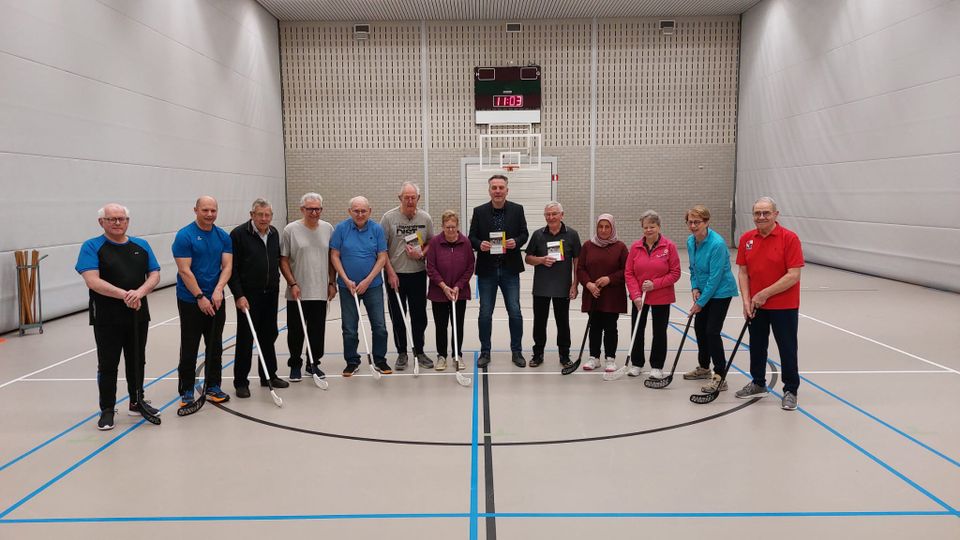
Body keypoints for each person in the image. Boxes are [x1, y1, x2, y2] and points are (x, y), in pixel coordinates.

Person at [76, 204, 161, 430]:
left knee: (137, 359)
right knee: (108, 364)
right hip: (107, 317)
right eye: (111, 219)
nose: (117, 223)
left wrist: (140, 292)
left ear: (128, 221)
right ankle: (107, 409)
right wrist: (124, 294)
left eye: (121, 218)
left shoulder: (141, 246)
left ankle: (137, 400)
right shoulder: (92, 246)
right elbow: (92, 280)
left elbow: (154, 274)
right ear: (101, 222)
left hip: (137, 315)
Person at [734, 197, 804, 410]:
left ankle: (790, 389)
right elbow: (743, 272)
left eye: (766, 213)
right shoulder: (747, 239)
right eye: (757, 213)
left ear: (776, 214)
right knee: (756, 346)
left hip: (784, 306)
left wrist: (764, 293)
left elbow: (793, 275)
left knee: (787, 348)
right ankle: (758, 383)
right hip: (756, 306)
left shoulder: (789, 239)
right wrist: (747, 301)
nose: (761, 217)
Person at [172, 195, 233, 406]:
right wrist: (199, 296)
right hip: (191, 300)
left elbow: (227, 266)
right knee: (190, 345)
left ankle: (213, 386)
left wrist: (218, 291)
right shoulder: (185, 236)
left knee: (215, 345)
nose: (209, 214)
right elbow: (184, 270)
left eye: (213, 210)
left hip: (216, 300)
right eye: (205, 210)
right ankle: (187, 390)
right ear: (195, 210)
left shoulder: (223, 236)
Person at [228, 198, 289, 399]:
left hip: (270, 294)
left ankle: (269, 376)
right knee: (245, 338)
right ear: (252, 215)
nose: (264, 218)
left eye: (267, 215)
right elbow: (232, 269)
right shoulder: (238, 234)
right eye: (260, 214)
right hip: (248, 296)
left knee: (269, 335)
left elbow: (275, 262)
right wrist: (239, 295)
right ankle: (241, 382)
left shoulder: (273, 234)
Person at [468, 175, 529, 368]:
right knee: (485, 313)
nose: (497, 191)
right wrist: (480, 244)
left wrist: (516, 242)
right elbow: (471, 237)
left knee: (515, 311)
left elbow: (524, 233)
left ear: (507, 190)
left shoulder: (517, 210)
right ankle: (485, 352)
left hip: (510, 268)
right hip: (487, 270)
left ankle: (517, 352)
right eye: (494, 187)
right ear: (489, 191)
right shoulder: (479, 211)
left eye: (501, 187)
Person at [330, 196, 391, 376]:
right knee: (349, 327)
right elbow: (334, 255)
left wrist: (368, 280)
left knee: (379, 326)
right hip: (348, 287)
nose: (360, 214)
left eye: (363, 210)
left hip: (373, 286)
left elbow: (382, 257)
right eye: (356, 210)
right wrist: (346, 279)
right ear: (350, 211)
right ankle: (352, 361)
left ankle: (380, 359)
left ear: (369, 211)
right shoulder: (341, 229)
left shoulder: (377, 229)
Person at [280, 193, 337, 382]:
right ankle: (295, 364)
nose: (314, 212)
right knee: (296, 331)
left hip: (320, 291)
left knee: (316, 331)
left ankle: (312, 364)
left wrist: (331, 282)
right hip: (297, 292)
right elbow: (284, 260)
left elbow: (331, 259)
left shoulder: (328, 228)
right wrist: (292, 283)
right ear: (302, 209)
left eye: (318, 209)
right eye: (310, 209)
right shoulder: (290, 230)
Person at [684, 205, 739, 393]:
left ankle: (720, 376)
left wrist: (700, 303)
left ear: (706, 222)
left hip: (721, 292)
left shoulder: (717, 244)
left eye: (697, 222)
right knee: (700, 328)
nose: (693, 225)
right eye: (690, 222)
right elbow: (693, 270)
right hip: (704, 290)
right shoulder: (691, 242)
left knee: (712, 331)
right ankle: (704, 368)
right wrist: (694, 288)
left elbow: (715, 278)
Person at [381, 182, 435, 371]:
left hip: (418, 274)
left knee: (419, 315)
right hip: (395, 276)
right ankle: (402, 353)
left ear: (418, 198)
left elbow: (430, 243)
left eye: (413, 197)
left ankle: (419, 352)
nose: (410, 200)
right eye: (406, 197)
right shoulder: (388, 218)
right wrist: (390, 272)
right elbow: (382, 249)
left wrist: (421, 254)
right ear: (400, 198)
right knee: (398, 315)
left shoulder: (425, 218)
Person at [624, 210, 681, 377]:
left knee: (659, 331)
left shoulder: (669, 246)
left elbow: (675, 273)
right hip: (639, 298)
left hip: (662, 297)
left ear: (659, 227)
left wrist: (654, 284)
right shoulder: (635, 247)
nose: (648, 230)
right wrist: (635, 295)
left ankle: (657, 366)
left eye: (652, 227)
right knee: (637, 329)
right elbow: (629, 273)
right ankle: (637, 363)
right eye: (645, 227)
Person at [524, 202, 581, 367]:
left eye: (554, 214)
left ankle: (564, 355)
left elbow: (577, 261)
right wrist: (541, 260)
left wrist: (575, 284)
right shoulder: (538, 235)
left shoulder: (572, 235)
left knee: (563, 322)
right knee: (539, 322)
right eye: (548, 214)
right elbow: (528, 258)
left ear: (562, 215)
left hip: (562, 287)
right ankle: (538, 354)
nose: (551, 217)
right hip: (541, 287)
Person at [576, 213, 628, 371]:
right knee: (594, 326)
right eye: (600, 226)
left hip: (612, 295)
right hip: (593, 294)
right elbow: (580, 268)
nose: (603, 230)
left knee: (611, 327)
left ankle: (610, 358)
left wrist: (609, 279)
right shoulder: (587, 246)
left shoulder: (620, 247)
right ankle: (594, 357)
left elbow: (627, 270)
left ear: (612, 228)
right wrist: (589, 284)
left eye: (607, 227)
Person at [425, 210, 475, 371]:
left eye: (453, 227)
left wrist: (457, 286)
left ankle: (456, 355)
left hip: (458, 292)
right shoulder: (434, 242)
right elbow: (430, 267)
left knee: (457, 325)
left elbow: (469, 267)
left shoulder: (465, 242)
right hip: (439, 292)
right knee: (441, 325)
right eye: (447, 227)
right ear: (442, 226)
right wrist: (444, 286)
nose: (451, 230)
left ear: (457, 226)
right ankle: (441, 356)